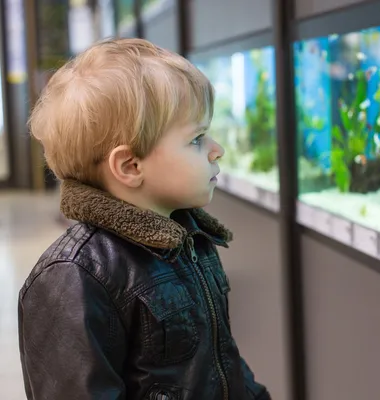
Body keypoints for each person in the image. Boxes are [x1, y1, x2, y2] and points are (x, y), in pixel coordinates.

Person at [18, 38, 271, 400]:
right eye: (197, 139)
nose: (218, 149)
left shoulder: (191, 241)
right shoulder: (74, 276)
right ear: (130, 166)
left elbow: (223, 361)